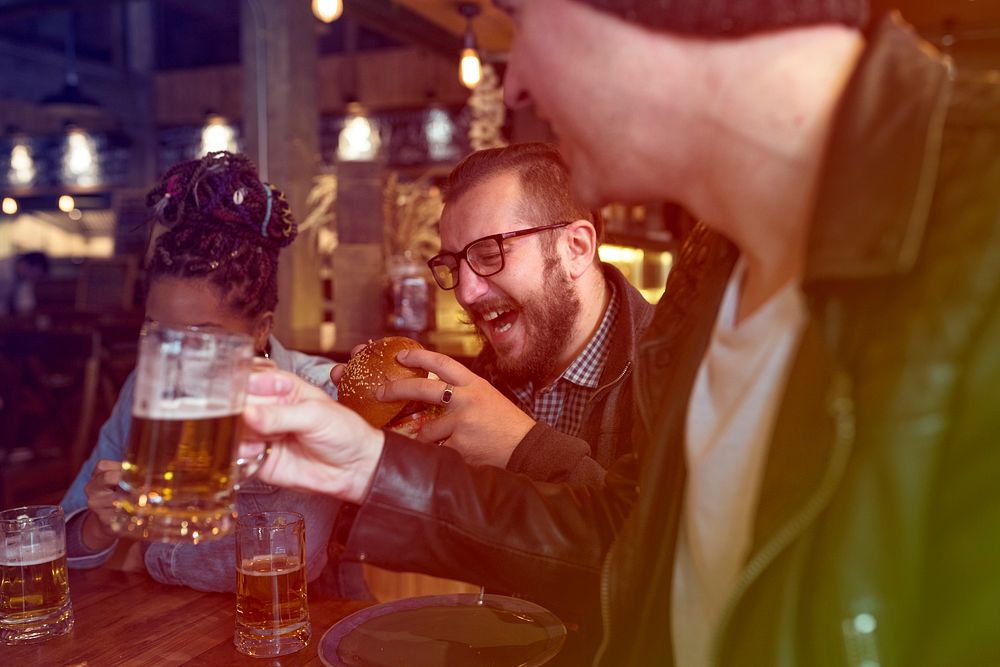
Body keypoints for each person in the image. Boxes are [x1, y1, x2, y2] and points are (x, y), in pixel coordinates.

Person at [244, 1, 1000, 665]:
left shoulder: (978, 232)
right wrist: (368, 465)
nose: (515, 85)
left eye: (524, 16)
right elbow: (632, 550)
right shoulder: (712, 266)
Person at [60, 152, 361, 595]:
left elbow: (293, 564)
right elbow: (63, 544)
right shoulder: (147, 388)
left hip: (295, 625)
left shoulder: (321, 396)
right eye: (159, 334)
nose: (177, 360)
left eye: (202, 338)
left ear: (260, 329)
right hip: (167, 632)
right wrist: (99, 527)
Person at [338, 143, 654, 484]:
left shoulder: (678, 374)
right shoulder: (482, 378)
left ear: (575, 248)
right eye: (452, 265)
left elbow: (656, 531)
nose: (465, 292)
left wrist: (523, 448)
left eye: (489, 256)